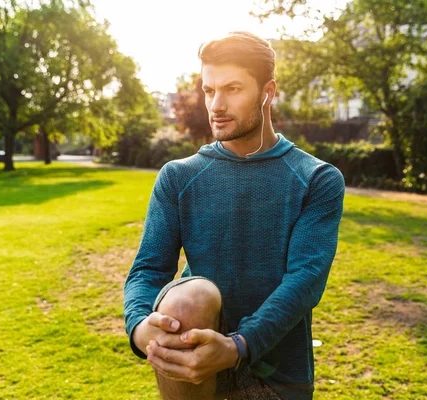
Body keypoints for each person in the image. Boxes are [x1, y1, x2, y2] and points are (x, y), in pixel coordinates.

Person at [123, 31, 345, 400]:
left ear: (267, 92)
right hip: (193, 364)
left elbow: (305, 279)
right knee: (187, 297)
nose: (217, 105)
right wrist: (139, 328)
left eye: (233, 89)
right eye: (209, 91)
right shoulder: (178, 176)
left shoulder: (316, 179)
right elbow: (148, 268)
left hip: (277, 372)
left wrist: (238, 345)